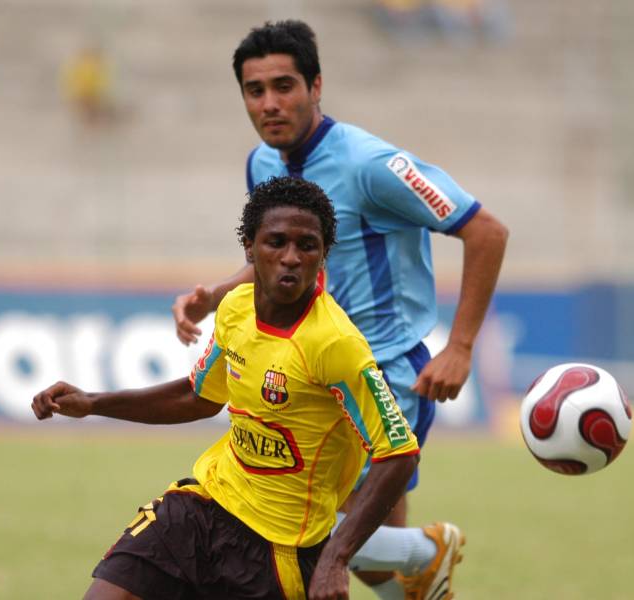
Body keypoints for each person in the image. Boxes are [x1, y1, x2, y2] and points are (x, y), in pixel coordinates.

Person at [171, 20, 509, 600]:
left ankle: (428, 554)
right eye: (256, 91)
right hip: (312, 371)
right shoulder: (262, 165)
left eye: (285, 86)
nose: (270, 103)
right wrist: (217, 293)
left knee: (306, 532)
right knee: (377, 560)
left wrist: (459, 346)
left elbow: (486, 231)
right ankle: (419, 566)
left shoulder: (371, 166)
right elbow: (278, 257)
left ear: (317, 85)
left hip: (381, 370)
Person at [31, 176, 420, 600]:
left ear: (323, 255)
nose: (291, 257)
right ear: (250, 249)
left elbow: (398, 453)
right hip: (203, 507)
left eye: (307, 246)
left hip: (279, 552)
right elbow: (198, 396)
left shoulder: (335, 344)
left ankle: (424, 556)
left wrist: (336, 559)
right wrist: (93, 402)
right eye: (276, 242)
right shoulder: (236, 308)